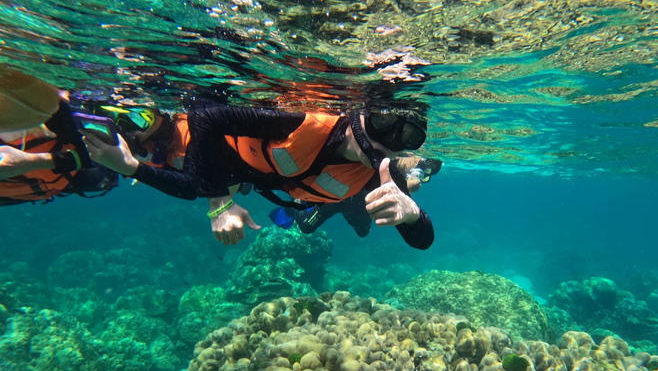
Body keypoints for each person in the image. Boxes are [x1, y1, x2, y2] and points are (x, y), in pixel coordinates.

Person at [84, 106, 435, 249]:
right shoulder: (299, 120)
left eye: (403, 139)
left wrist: (413, 213)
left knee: (354, 221)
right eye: (381, 123)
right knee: (200, 183)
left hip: (269, 180)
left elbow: (423, 241)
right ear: (360, 112)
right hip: (238, 160)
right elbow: (204, 118)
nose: (382, 141)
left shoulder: (381, 174)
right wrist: (220, 202)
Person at [0, 72, 119, 206]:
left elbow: (100, 156)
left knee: (107, 169)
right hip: (37, 184)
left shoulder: (52, 108)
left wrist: (32, 162)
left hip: (81, 172)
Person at [270, 155, 442, 238]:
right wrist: (412, 180)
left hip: (361, 202)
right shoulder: (402, 158)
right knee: (306, 226)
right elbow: (408, 169)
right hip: (339, 196)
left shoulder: (410, 167)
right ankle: (295, 203)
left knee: (363, 232)